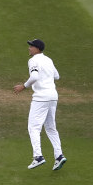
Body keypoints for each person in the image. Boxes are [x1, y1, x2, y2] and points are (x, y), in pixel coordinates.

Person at [13, 39, 67, 171]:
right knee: (50, 127)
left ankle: (38, 156)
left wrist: (23, 86)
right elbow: (57, 76)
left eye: (31, 46)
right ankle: (59, 155)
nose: (29, 48)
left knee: (33, 128)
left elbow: (35, 77)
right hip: (53, 96)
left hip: (41, 98)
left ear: (37, 49)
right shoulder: (48, 60)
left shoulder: (33, 60)